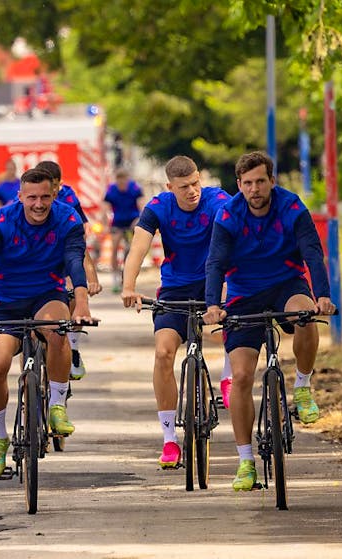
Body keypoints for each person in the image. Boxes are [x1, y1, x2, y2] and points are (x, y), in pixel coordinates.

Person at [202, 151, 334, 491]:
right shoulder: (228, 215)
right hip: (244, 294)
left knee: (305, 316)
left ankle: (302, 386)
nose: (255, 189)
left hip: (287, 285)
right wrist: (213, 305)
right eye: (248, 183)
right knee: (242, 376)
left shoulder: (292, 207)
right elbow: (216, 262)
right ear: (239, 185)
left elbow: (312, 253)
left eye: (261, 181)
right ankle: (245, 461)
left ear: (272, 181)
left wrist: (322, 296)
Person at [0, 167, 94, 476]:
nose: (39, 204)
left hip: (47, 294)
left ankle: (57, 406)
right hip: (5, 301)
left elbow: (74, 261)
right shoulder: (1, 221)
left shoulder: (68, 218)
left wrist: (82, 303)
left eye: (45, 197)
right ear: (19, 196)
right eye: (32, 197)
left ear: (54, 195)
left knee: (57, 331)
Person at [119, 156, 233, 468]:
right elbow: (138, 248)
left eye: (196, 183)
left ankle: (228, 376)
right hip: (176, 288)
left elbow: (239, 234)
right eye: (184, 187)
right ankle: (169, 439)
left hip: (216, 282)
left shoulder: (218, 200)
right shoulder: (158, 207)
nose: (192, 191)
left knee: (233, 320)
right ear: (170, 187)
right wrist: (128, 287)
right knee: (163, 353)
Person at [34, 160, 102, 380]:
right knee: (28, 331)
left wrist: (91, 278)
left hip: (62, 255)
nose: (50, 192)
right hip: (36, 260)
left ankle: (72, 348)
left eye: (54, 186)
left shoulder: (68, 201)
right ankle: (29, 377)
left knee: (72, 295)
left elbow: (78, 245)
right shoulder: (32, 199)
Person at [103, 169, 145, 292]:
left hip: (132, 221)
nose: (122, 184)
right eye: (119, 181)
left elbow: (141, 204)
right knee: (115, 247)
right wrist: (105, 222)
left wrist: (139, 219)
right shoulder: (111, 189)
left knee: (131, 249)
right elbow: (105, 207)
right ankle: (115, 277)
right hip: (118, 221)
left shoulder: (134, 188)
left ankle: (126, 275)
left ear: (127, 180)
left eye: (124, 181)